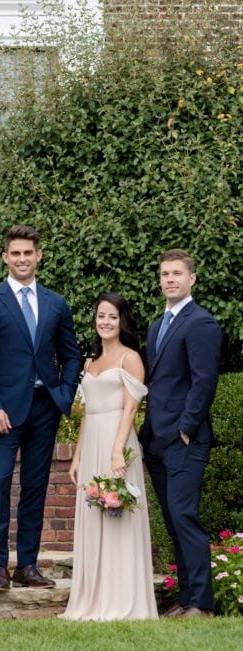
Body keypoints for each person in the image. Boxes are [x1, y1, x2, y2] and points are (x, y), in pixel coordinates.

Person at [0, 224, 81, 591]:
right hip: (3, 410)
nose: (21, 259)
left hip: (44, 407)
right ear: (5, 257)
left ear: (38, 256)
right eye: (15, 253)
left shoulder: (56, 303)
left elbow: (71, 355)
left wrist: (62, 394)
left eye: (28, 253)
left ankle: (27, 565)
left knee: (36, 487)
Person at [63, 293, 157, 621]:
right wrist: (77, 456)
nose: (105, 322)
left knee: (118, 516)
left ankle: (121, 599)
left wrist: (117, 450)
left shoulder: (130, 359)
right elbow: (88, 411)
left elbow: (131, 408)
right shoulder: (90, 362)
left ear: (122, 321)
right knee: (94, 514)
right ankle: (93, 597)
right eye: (101, 316)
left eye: (112, 317)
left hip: (118, 441)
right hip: (92, 446)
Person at [139, 249, 221, 618]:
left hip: (184, 439)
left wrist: (186, 428)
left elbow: (204, 381)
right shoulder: (158, 325)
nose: (169, 279)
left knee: (185, 517)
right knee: (173, 522)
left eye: (177, 273)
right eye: (164, 274)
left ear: (192, 279)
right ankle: (186, 598)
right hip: (156, 440)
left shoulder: (200, 323)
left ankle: (202, 604)